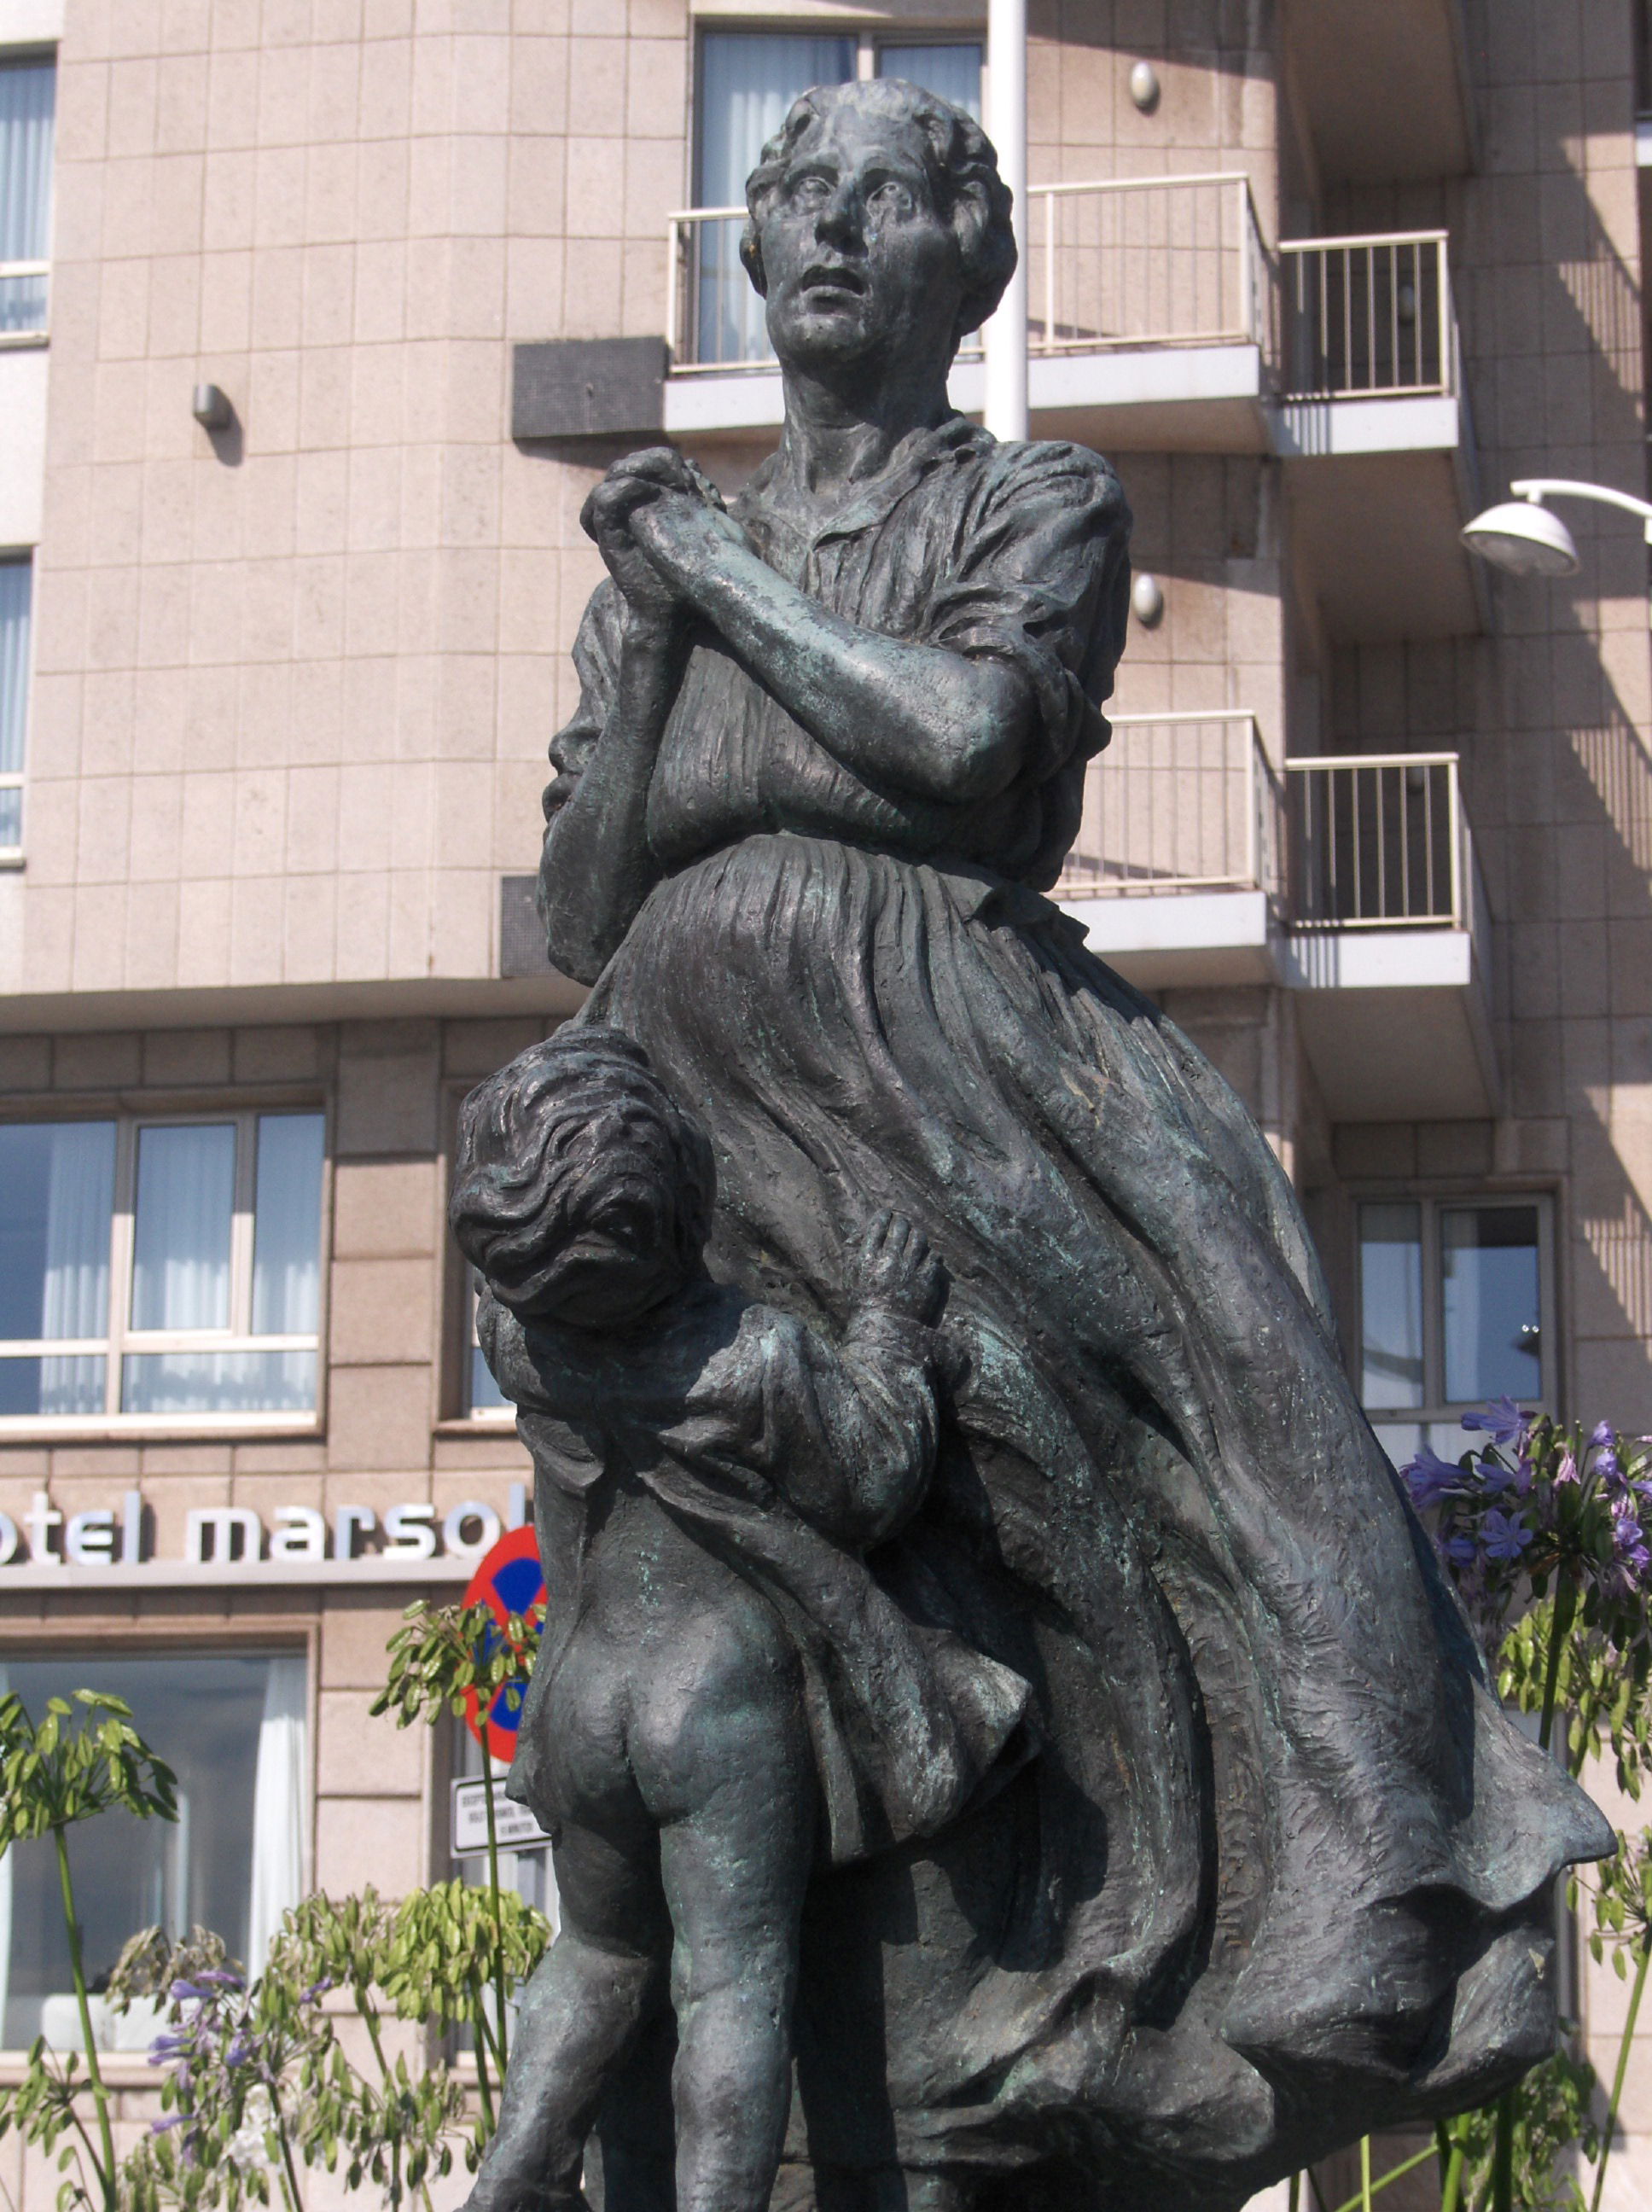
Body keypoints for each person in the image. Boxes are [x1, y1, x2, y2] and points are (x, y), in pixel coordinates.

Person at [528, 76, 1608, 2211]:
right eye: (795, 197)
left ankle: (1077, 2017)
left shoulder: (1035, 499)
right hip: (685, 1127)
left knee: (1079, 1560)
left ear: (974, 262)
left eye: (887, 200)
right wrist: (663, 609)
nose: (831, 230)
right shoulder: (667, 557)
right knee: (708, 1621)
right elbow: (582, 905)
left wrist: (713, 581)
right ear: (749, 255)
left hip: (947, 1084)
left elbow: (961, 749)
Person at [450, 1027, 1032, 2212]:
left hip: (583, 1700)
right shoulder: (748, 1360)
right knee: (730, 1986)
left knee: (598, 1950)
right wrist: (887, 1325)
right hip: (713, 1705)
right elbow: (872, 1479)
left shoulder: (516, 1339)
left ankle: (517, 2170)